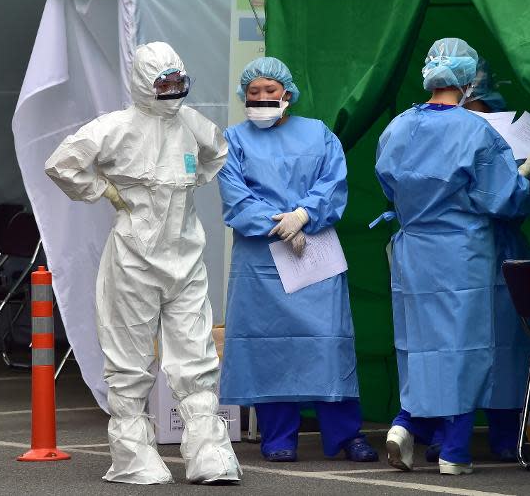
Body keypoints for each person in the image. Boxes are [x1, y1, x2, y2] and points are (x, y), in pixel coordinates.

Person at [45, 42, 241, 485]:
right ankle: (133, 453)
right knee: (129, 357)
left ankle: (209, 451)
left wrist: (189, 182)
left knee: (196, 354)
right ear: (142, 83)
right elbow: (62, 164)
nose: (172, 91)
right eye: (163, 83)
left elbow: (217, 153)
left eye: (178, 82)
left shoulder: (192, 123)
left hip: (185, 255)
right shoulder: (115, 128)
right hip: (133, 257)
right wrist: (107, 191)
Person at [373, 38, 530, 475]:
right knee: (467, 349)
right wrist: (525, 174)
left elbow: (392, 188)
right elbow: (503, 200)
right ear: (468, 81)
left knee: (420, 347)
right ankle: (455, 452)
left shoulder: (396, 129)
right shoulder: (476, 131)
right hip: (462, 253)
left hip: (414, 253)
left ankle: (405, 423)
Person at [217, 57, 378, 464]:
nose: (262, 98)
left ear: (287, 93)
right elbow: (235, 194)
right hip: (261, 260)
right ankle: (278, 436)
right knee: (270, 347)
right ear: (244, 96)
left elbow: (333, 181)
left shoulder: (318, 134)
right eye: (254, 93)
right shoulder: (234, 139)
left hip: (314, 254)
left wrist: (304, 215)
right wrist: (280, 224)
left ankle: (346, 434)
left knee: (328, 343)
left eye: (270, 91)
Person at [422, 58, 530, 464]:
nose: (472, 117)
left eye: (480, 109)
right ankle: (446, 432)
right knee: (451, 344)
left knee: (506, 345)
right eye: (467, 106)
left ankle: (506, 434)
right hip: (454, 253)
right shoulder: (434, 133)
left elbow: (518, 202)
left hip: (504, 253)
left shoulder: (510, 139)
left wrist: (524, 178)